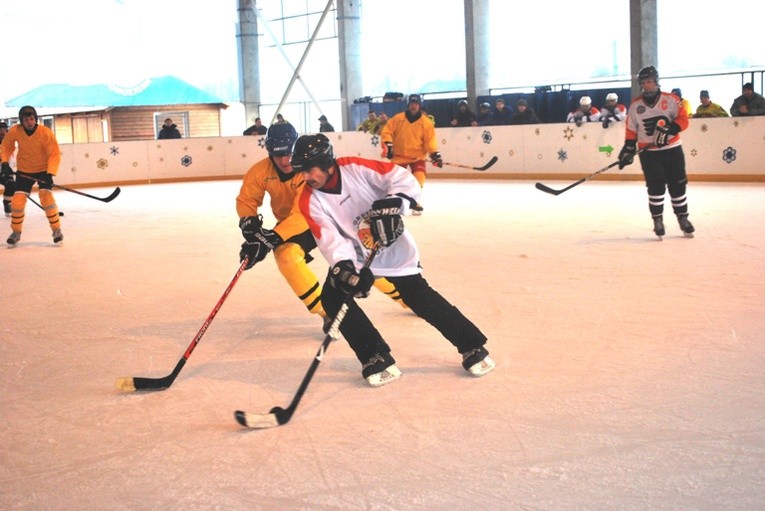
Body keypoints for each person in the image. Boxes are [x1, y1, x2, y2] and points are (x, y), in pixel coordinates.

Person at [290, 133, 496, 387]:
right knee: (333, 298)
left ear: (327, 163)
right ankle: (375, 356)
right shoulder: (309, 199)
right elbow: (330, 238)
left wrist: (395, 203)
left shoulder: (354, 167)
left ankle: (472, 346)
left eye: (310, 170)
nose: (306, 178)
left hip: (393, 244)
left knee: (418, 296)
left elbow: (399, 177)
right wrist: (344, 267)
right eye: (302, 172)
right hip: (356, 254)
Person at [236, 122, 328, 322]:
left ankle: (405, 293)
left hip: (326, 220)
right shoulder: (260, 171)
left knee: (358, 262)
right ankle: (326, 311)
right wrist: (250, 226)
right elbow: (246, 200)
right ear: (269, 152)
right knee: (285, 256)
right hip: (291, 224)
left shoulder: (308, 170)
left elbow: (303, 212)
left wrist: (270, 238)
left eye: (288, 154)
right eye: (278, 156)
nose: (285, 161)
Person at [617, 66, 694, 239]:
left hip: (672, 149)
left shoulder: (672, 99)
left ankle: (683, 218)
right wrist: (628, 148)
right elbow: (631, 129)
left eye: (650, 82)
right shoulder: (636, 105)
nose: (647, 86)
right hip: (649, 153)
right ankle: (657, 220)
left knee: (678, 184)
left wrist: (671, 128)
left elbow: (683, 119)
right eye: (644, 83)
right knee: (655, 185)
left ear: (656, 81)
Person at [0, 106, 63, 246]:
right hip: (24, 171)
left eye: (32, 119)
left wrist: (50, 172)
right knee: (17, 202)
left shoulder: (44, 132)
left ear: (35, 119)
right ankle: (16, 232)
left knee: (46, 197)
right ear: (21, 121)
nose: (29, 122)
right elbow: (5, 146)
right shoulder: (16, 130)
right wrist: (4, 163)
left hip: (43, 171)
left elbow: (54, 153)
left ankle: (56, 230)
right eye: (26, 119)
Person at [378, 94, 442, 210]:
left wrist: (434, 153)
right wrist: (388, 144)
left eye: (416, 104)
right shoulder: (398, 119)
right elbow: (387, 132)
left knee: (419, 178)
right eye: (412, 104)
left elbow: (430, 141)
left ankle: (414, 200)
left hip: (417, 156)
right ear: (408, 105)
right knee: (394, 179)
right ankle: (393, 200)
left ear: (419, 106)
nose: (414, 106)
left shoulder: (426, 123)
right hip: (399, 156)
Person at [0, 121, 12, 216]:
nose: (2, 132)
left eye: (4, 129)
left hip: (5, 169)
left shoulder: (9, 143)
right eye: (0, 130)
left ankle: (7, 204)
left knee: (11, 183)